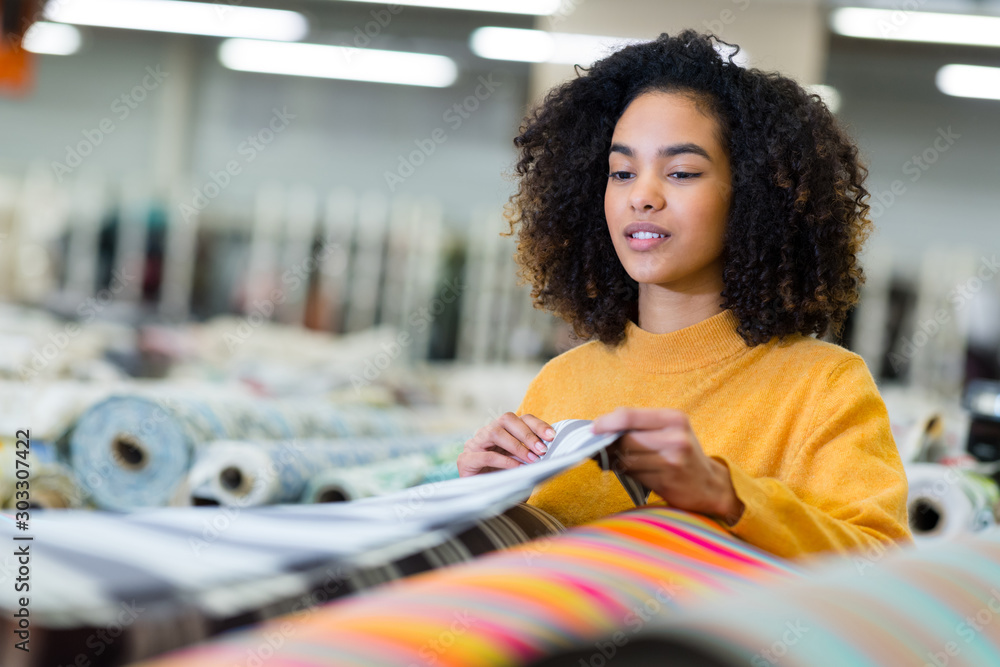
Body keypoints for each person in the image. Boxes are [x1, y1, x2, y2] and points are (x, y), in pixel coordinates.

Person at [456, 29, 913, 560]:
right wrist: (483, 498)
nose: (642, 197)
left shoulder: (823, 388)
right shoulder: (561, 382)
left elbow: (882, 564)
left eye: (681, 172)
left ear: (753, 193)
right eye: (621, 172)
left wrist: (725, 494)